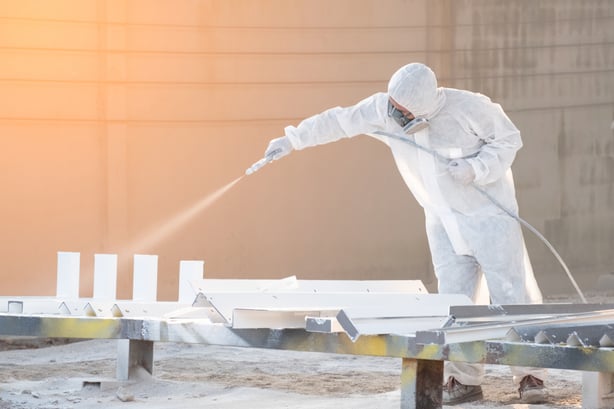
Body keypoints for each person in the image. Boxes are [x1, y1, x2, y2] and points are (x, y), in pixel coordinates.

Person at [258, 62, 546, 404]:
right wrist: (293, 140)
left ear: (424, 109)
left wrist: (477, 167)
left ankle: (530, 375)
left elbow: (509, 138)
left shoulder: (469, 107)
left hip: (489, 218)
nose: (394, 114)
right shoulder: (384, 109)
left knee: (512, 294)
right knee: (454, 303)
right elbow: (339, 120)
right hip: (442, 220)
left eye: (402, 111)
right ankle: (464, 379)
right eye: (393, 106)